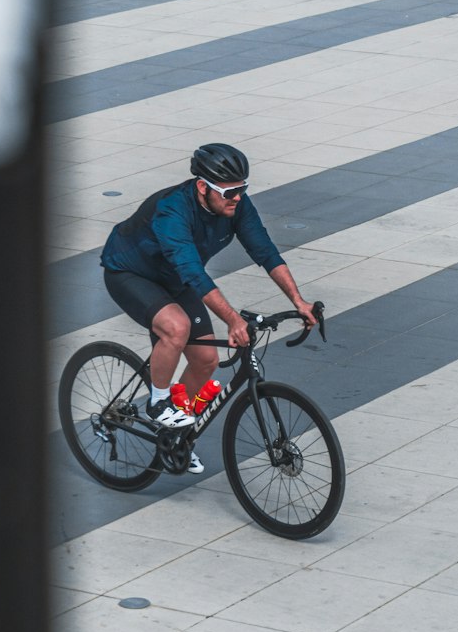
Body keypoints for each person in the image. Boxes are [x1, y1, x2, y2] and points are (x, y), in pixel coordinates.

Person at [100, 143, 317, 473]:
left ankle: (176, 436)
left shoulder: (235, 207)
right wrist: (231, 319)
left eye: (242, 189)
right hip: (131, 273)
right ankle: (158, 405)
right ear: (203, 187)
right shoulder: (173, 211)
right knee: (176, 327)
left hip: (174, 277)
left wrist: (298, 301)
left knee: (206, 360)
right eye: (229, 192)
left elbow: (266, 252)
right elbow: (193, 273)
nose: (238, 198)